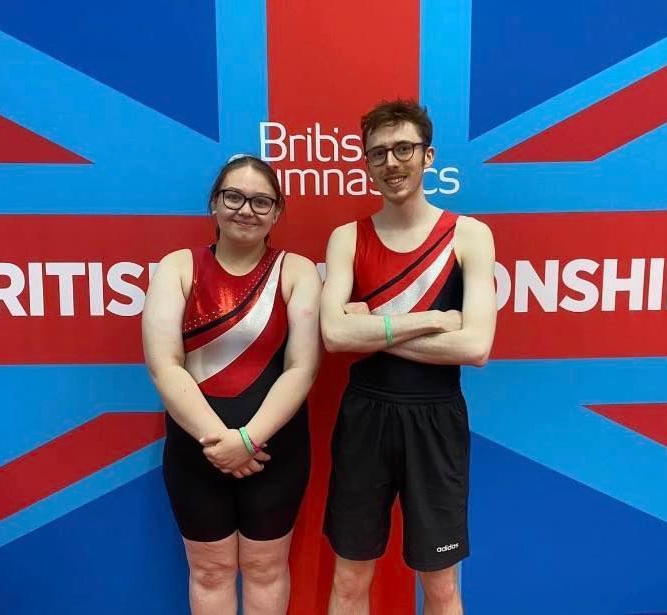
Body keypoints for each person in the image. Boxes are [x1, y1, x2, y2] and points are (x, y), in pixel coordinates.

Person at [320, 100, 497, 615]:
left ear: (428, 156)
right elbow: (333, 336)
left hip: (436, 420)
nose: (391, 163)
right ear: (366, 163)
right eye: (379, 153)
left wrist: (367, 327)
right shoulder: (347, 238)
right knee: (350, 578)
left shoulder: (469, 235)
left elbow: (475, 347)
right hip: (365, 418)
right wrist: (432, 320)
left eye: (403, 149)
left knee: (440, 585)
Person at [142, 155, 321, 615]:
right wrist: (218, 441)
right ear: (214, 204)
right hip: (195, 451)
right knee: (210, 571)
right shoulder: (177, 268)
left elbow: (302, 367)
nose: (247, 209)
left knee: (265, 568)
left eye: (262, 201)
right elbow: (165, 366)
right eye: (234, 197)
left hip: (274, 451)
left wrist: (247, 439)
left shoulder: (297, 271)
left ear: (278, 212)